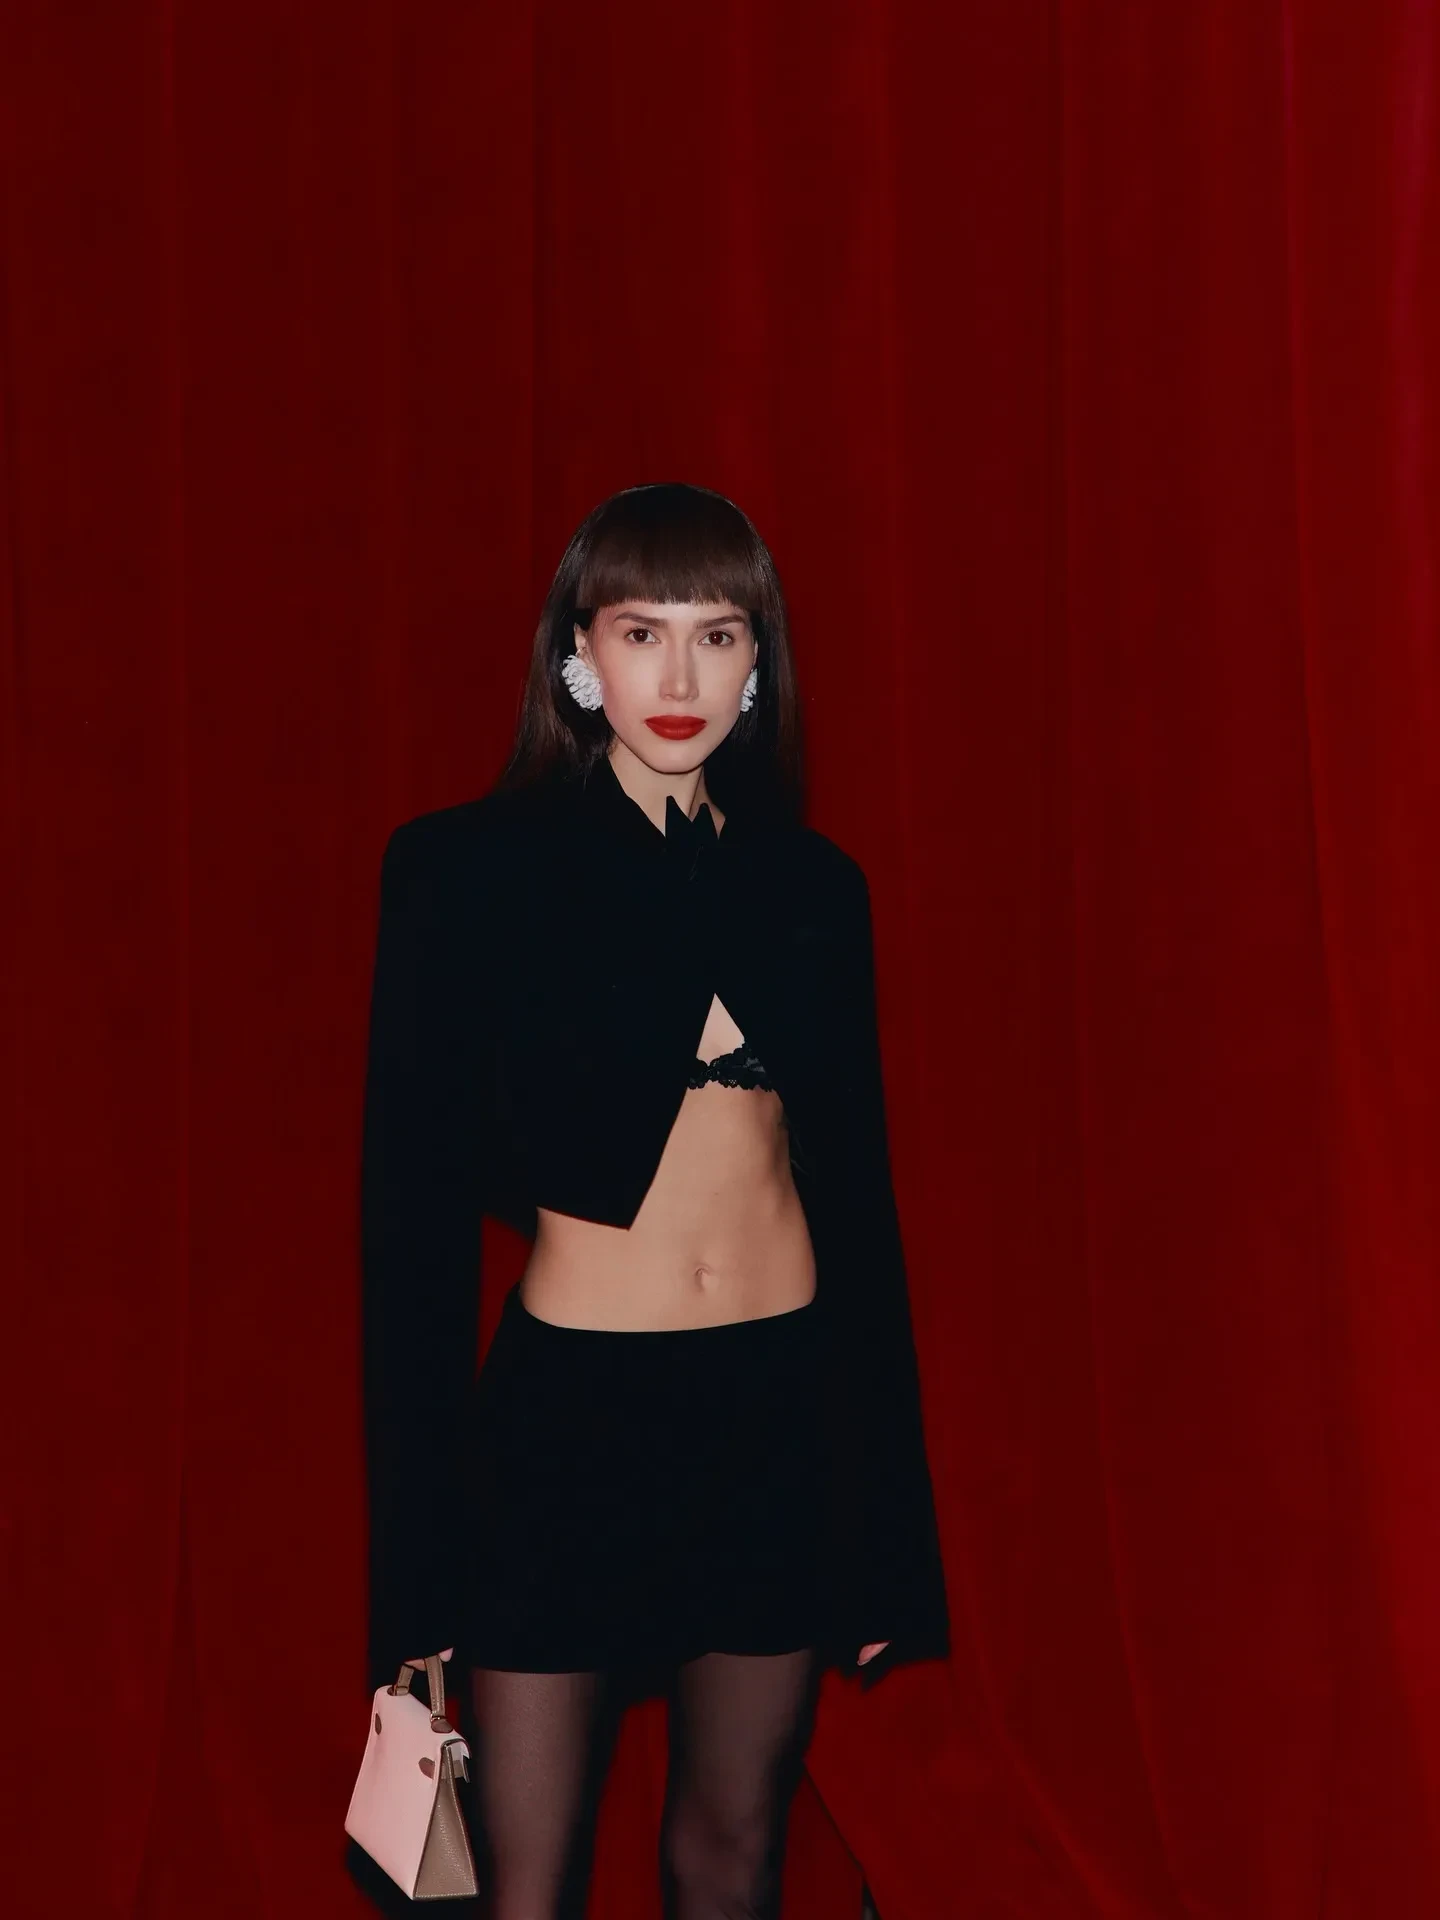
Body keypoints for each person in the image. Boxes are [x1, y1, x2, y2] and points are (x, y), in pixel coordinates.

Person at [359, 481, 949, 1919]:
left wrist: (889, 1537)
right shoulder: (465, 873)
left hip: (773, 1412)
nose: (679, 675)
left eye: (719, 634)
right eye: (641, 631)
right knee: (525, 1888)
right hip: (570, 1426)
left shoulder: (813, 890)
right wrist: (415, 1581)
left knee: (734, 1857)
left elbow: (862, 1215)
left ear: (759, 666)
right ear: (580, 653)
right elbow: (408, 1237)